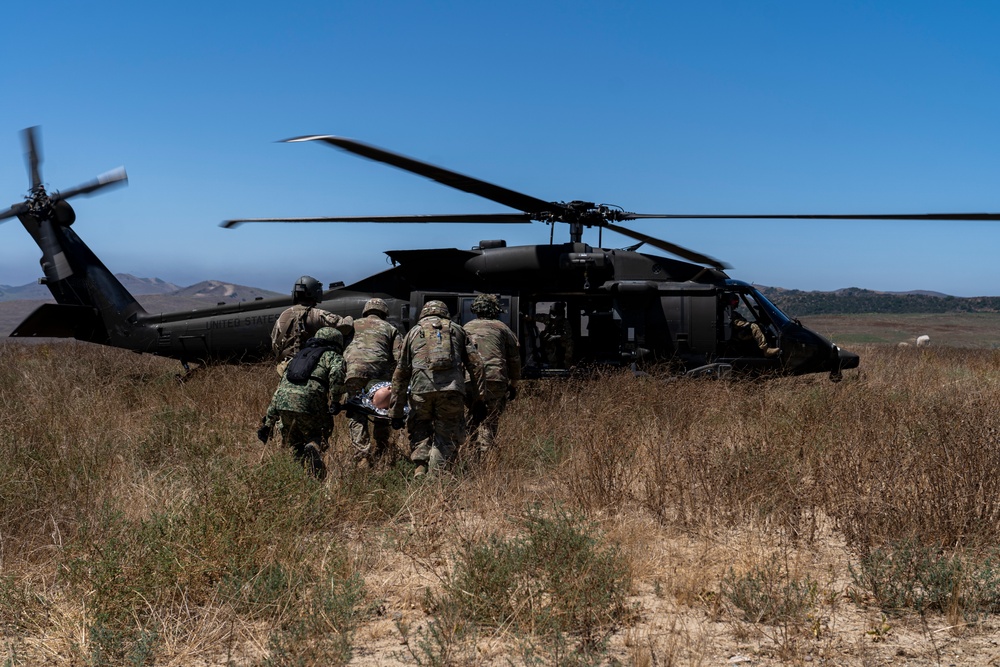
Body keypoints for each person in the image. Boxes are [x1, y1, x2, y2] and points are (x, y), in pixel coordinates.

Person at [388, 300, 485, 478]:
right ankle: (435, 476)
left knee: (420, 426)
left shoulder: (413, 332)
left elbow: (401, 373)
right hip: (451, 389)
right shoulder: (457, 330)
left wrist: (396, 410)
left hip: (420, 390)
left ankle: (420, 468)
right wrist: (479, 398)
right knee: (446, 432)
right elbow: (477, 365)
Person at [260, 326, 346, 479]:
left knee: (294, 442)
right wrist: (335, 401)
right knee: (320, 432)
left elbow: (279, 391)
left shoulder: (297, 357)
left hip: (283, 405)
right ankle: (313, 447)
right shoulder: (332, 356)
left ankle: (301, 476)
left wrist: (268, 423)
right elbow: (337, 375)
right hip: (310, 403)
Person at [342, 297, 402, 469]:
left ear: (366, 311)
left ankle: (362, 457)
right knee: (381, 410)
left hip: (353, 373)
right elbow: (399, 357)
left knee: (357, 412)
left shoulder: (352, 324)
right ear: (384, 313)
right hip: (379, 374)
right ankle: (382, 449)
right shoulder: (390, 328)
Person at [462, 294, 520, 459]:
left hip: (470, 379)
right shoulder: (501, 327)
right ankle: (485, 456)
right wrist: (514, 384)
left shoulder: (466, 327)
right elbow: (514, 358)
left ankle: (471, 452)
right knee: (490, 418)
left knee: (473, 414)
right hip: (495, 378)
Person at [271, 275, 353, 376]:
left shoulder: (283, 316)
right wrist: (350, 318)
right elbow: (344, 326)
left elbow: (275, 343)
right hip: (310, 368)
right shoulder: (317, 314)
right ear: (316, 293)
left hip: (286, 370)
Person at [528, 302, 573, 368]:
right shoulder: (548, 318)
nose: (554, 318)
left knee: (570, 343)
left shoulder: (565, 322)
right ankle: (552, 365)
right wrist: (529, 317)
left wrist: (556, 337)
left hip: (561, 341)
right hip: (549, 342)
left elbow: (569, 335)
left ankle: (567, 366)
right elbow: (539, 317)